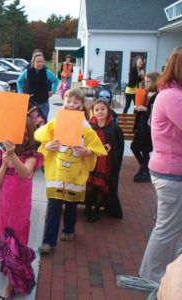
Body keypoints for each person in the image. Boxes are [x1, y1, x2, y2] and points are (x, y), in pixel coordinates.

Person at [117, 47, 182, 293]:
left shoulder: (169, 94)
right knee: (167, 227)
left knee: (172, 226)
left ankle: (161, 272)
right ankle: (151, 276)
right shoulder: (174, 97)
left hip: (169, 169)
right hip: (171, 172)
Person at [34, 88, 107, 254]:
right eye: (68, 101)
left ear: (82, 106)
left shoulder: (85, 126)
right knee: (54, 206)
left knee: (72, 204)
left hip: (75, 174)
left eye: (76, 102)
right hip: (57, 174)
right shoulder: (56, 121)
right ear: (63, 101)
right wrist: (47, 145)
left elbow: (97, 148)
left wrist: (88, 151)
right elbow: (39, 134)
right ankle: (48, 242)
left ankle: (69, 230)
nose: (71, 105)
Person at [0, 116, 43, 299]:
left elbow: (26, 173)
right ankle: (10, 270)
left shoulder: (32, 156)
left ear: (28, 134)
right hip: (5, 208)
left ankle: (8, 289)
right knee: (5, 239)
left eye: (23, 132)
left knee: (16, 243)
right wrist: (4, 164)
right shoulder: (1, 155)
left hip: (20, 208)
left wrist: (12, 155)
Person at [85, 99, 124, 222]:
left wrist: (111, 149)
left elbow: (118, 148)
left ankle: (96, 210)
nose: (100, 112)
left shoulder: (114, 128)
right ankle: (88, 208)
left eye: (102, 109)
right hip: (92, 161)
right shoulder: (89, 127)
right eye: (97, 110)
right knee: (89, 186)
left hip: (105, 162)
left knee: (100, 187)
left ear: (108, 110)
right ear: (93, 112)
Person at [130, 72, 160, 183]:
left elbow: (155, 114)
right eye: (145, 82)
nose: (146, 84)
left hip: (148, 128)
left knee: (145, 149)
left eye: (148, 81)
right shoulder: (145, 93)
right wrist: (136, 108)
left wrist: (144, 109)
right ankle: (145, 167)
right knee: (135, 147)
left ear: (155, 81)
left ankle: (145, 170)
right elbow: (139, 109)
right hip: (141, 125)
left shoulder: (157, 95)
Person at [16, 52, 59, 122]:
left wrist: (53, 91)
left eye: (42, 62)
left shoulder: (47, 72)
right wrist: (21, 93)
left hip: (43, 103)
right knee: (30, 123)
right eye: (38, 61)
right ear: (33, 62)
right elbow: (18, 81)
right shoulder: (27, 72)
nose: (40, 63)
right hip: (30, 103)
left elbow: (56, 80)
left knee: (43, 123)